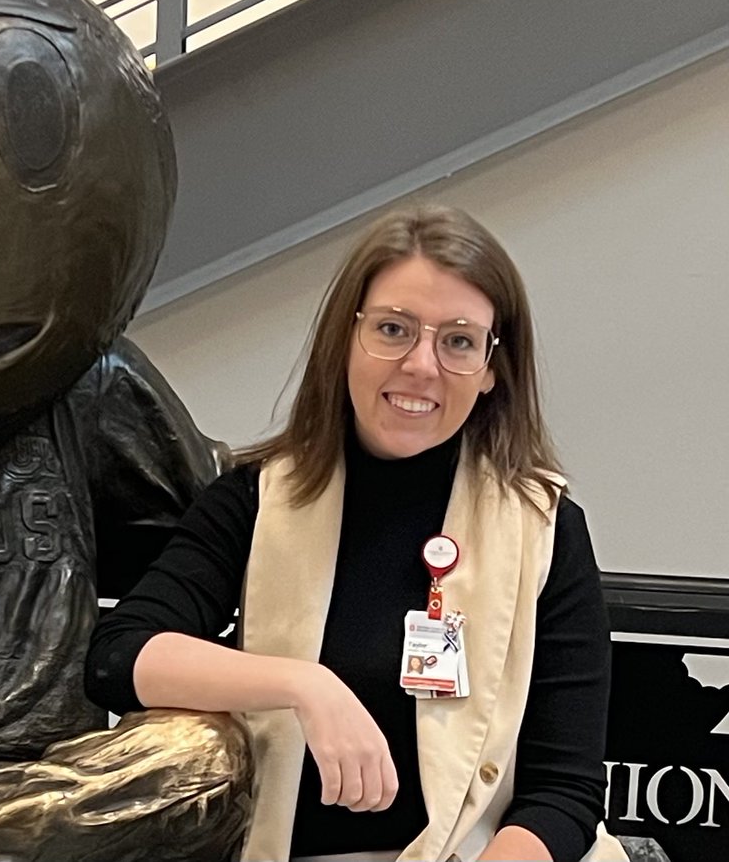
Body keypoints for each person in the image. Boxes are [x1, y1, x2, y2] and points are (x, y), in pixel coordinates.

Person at [86, 205, 628, 862]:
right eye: (394, 329)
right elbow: (120, 657)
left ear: (492, 369)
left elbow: (564, 794)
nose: (422, 365)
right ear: (347, 339)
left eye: (458, 341)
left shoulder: (546, 528)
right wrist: (303, 685)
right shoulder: (255, 501)